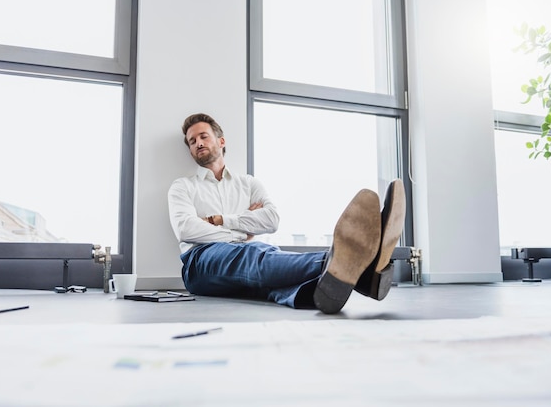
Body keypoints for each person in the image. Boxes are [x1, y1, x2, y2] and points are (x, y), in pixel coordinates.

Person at [168, 113, 406, 314]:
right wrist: (241, 233)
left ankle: (328, 290)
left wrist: (220, 221)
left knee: (266, 275)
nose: (197, 143)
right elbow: (187, 229)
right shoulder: (183, 187)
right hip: (198, 262)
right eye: (191, 141)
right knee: (256, 257)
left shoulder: (248, 184)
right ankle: (356, 263)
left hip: (243, 255)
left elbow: (271, 220)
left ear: (221, 141)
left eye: (203, 136)